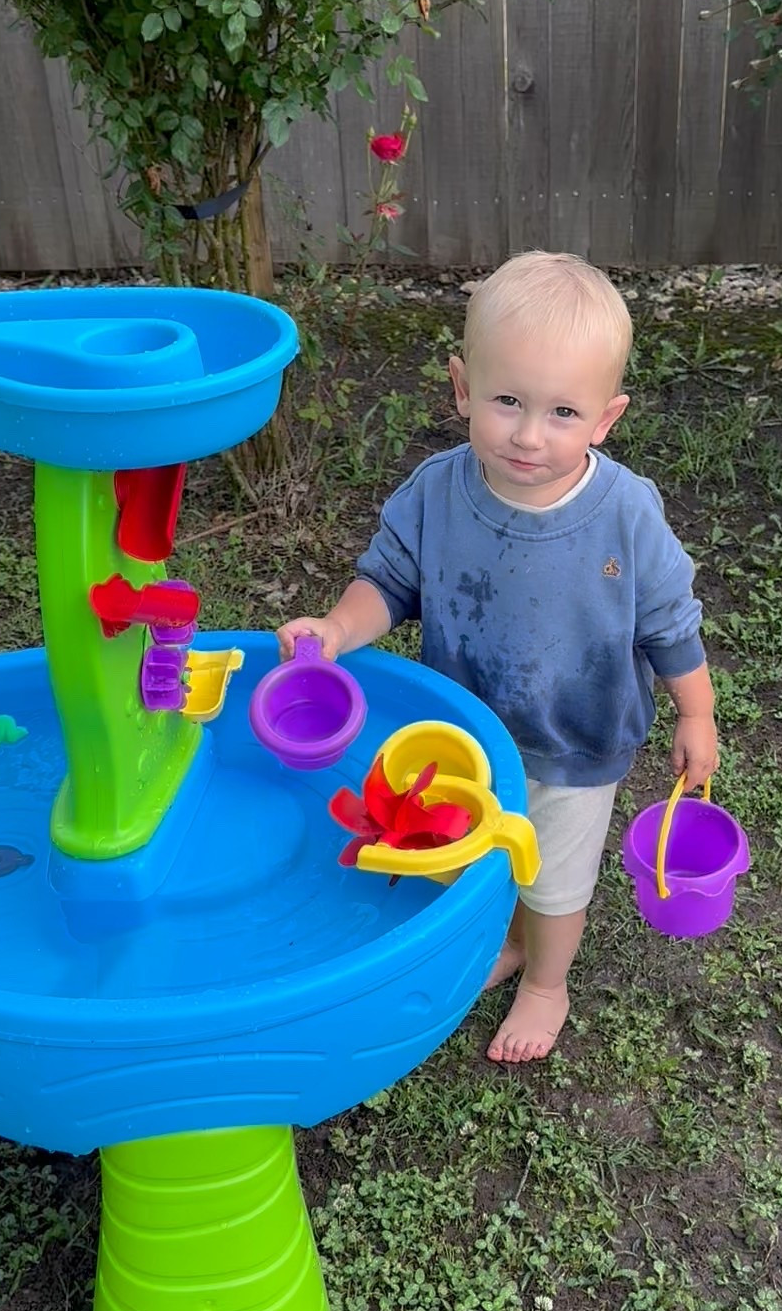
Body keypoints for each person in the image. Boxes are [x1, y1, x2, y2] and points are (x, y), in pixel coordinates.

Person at [277, 251, 719, 1065]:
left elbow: (669, 623)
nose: (526, 433)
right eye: (507, 400)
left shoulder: (626, 515)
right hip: (468, 730)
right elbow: (388, 582)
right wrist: (338, 631)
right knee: (477, 855)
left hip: (575, 743)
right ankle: (503, 940)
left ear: (604, 419)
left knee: (553, 883)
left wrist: (697, 712)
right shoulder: (436, 494)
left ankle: (546, 977)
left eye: (560, 412)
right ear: (460, 387)